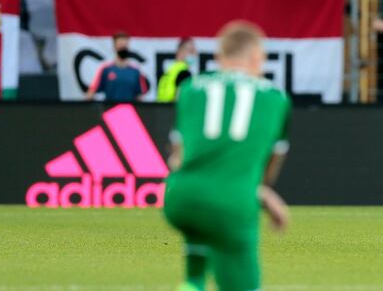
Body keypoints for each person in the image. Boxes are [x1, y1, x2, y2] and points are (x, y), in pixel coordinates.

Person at [163, 21, 291, 291]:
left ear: (219, 57)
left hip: (180, 198)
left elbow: (177, 156)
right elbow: (270, 164)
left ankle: (193, 284)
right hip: (232, 202)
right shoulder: (275, 98)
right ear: (257, 57)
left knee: (198, 245)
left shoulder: (191, 89)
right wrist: (262, 194)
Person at [85, 32, 147, 101]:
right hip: (111, 110)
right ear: (114, 46)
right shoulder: (105, 69)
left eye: (125, 45)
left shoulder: (136, 71)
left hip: (128, 110)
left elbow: (140, 97)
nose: (123, 48)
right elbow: (90, 93)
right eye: (120, 45)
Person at [156, 38, 196, 103]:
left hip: (162, 109)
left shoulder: (169, 71)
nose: (195, 54)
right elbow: (183, 98)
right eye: (191, 51)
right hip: (173, 109)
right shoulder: (183, 72)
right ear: (180, 52)